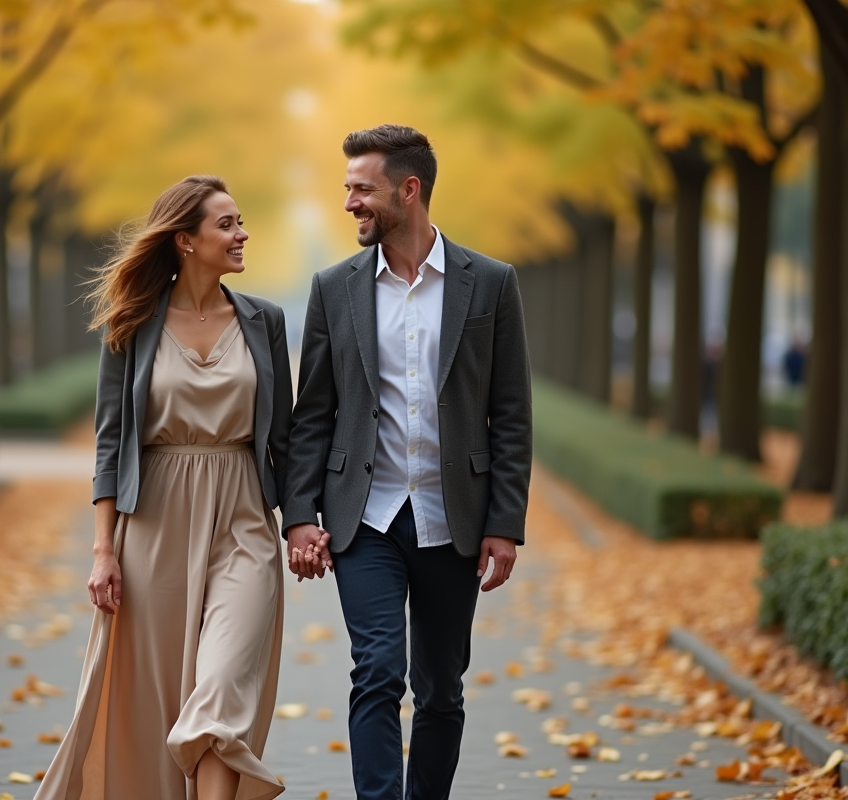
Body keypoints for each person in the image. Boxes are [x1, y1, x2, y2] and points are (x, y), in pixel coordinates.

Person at [283, 125, 533, 800]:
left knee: (441, 688)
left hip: (454, 515)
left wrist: (505, 523)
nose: (350, 204)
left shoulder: (491, 285)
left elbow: (510, 413)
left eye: (362, 189)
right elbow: (314, 415)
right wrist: (299, 516)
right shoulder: (334, 289)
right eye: (347, 190)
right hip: (364, 518)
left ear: (409, 189)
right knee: (377, 670)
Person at [34, 175, 293, 800]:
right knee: (157, 709)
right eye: (227, 224)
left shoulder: (265, 321)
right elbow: (110, 439)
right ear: (185, 239)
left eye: (241, 221)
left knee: (223, 688)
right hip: (153, 519)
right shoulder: (133, 323)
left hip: (244, 517)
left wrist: (308, 518)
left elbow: (288, 434)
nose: (242, 234)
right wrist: (103, 550)